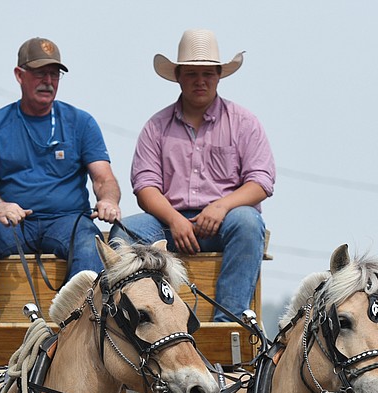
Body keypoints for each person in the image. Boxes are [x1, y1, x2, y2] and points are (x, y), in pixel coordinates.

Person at [108, 29, 275, 322]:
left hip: (226, 221)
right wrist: (174, 219)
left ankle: (228, 320)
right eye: (192, 73)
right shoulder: (156, 126)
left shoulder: (244, 123)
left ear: (219, 76)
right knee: (125, 233)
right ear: (179, 76)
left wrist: (221, 206)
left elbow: (261, 180)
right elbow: (145, 185)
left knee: (248, 223)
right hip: (168, 222)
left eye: (208, 73)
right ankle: (134, 321)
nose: (201, 80)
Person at [0, 37, 122, 323]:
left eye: (54, 74)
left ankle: (77, 323)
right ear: (19, 75)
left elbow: (103, 177)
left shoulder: (81, 122)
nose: (48, 81)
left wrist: (108, 200)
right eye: (39, 73)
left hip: (68, 221)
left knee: (89, 243)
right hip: (17, 222)